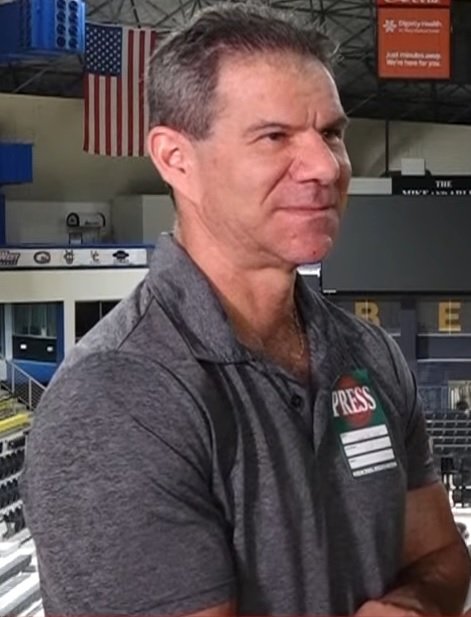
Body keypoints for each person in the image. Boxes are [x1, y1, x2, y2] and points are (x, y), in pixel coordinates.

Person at [21, 3, 470, 616]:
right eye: (274, 136)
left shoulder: (370, 354)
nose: (326, 167)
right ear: (176, 158)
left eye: (331, 134)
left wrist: (414, 606)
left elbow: (441, 557)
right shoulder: (116, 398)